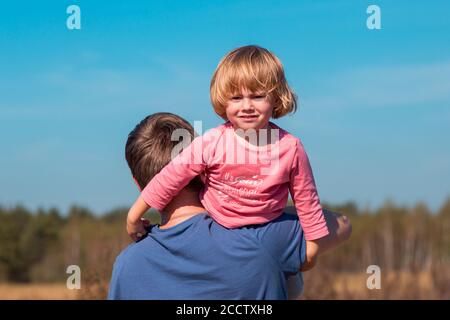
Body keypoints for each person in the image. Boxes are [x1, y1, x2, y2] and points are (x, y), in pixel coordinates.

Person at [108, 113, 351, 299]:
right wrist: (266, 213)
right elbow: (341, 224)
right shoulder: (263, 235)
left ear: (138, 185)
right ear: (204, 168)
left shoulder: (127, 265)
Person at [127, 45, 329, 269]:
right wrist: (134, 217)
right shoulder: (212, 142)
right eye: (236, 97)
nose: (247, 106)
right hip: (215, 228)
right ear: (223, 101)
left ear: (276, 98)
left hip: (268, 228)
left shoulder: (290, 148)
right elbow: (169, 178)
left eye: (258, 96)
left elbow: (306, 200)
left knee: (287, 285)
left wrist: (312, 248)